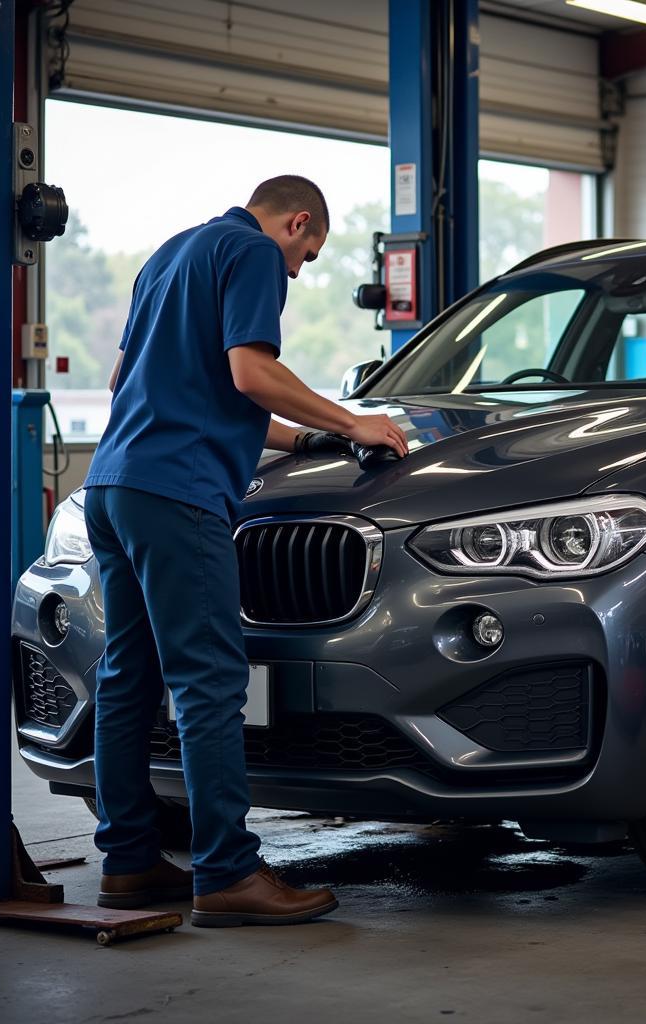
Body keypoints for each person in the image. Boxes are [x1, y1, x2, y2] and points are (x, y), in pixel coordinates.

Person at [82, 174, 408, 927]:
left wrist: (304, 437)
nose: (299, 271)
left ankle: (129, 862)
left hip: (114, 485)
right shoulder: (253, 254)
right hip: (180, 492)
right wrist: (354, 423)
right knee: (210, 681)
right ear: (295, 224)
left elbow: (137, 382)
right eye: (309, 253)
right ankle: (228, 872)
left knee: (129, 677)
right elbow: (249, 372)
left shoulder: (168, 255)